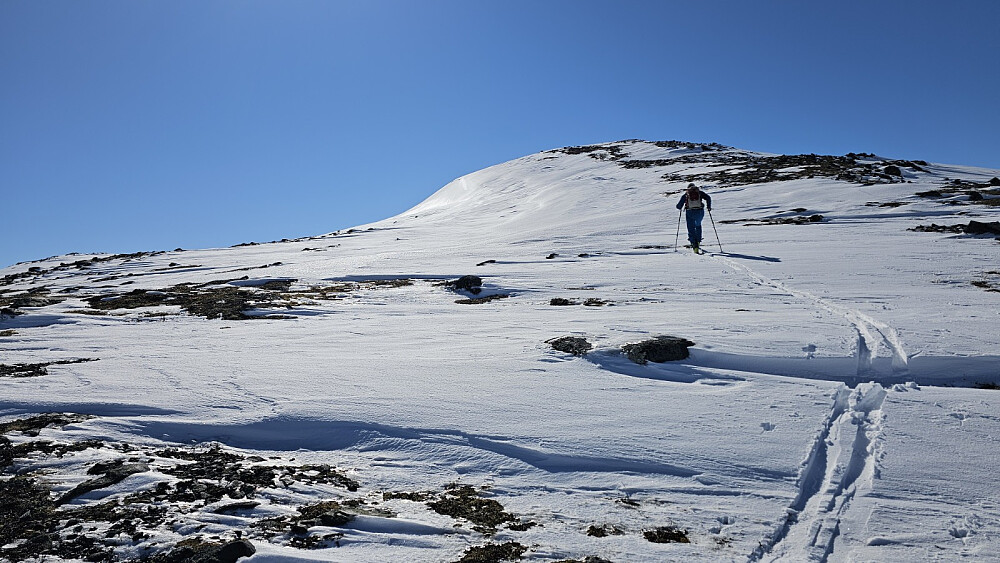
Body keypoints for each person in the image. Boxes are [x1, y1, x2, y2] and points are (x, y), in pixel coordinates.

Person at [676, 183, 712, 253]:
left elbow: (678, 206)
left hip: (690, 212)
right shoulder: (700, 193)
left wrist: (680, 207)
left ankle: (694, 245)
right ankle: (698, 241)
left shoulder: (686, 194)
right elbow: (708, 198)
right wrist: (709, 206)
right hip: (700, 212)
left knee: (691, 228)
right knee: (698, 225)